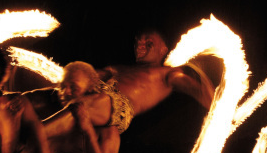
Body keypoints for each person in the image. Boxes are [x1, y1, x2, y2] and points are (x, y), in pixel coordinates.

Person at [27, 29, 215, 129]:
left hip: (117, 105)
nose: (140, 46)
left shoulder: (169, 74)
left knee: (84, 105)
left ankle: (36, 137)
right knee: (45, 94)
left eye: (148, 43)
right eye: (138, 42)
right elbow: (90, 75)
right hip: (95, 94)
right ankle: (10, 100)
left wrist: (222, 110)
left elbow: (199, 91)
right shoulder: (119, 68)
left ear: (163, 50)